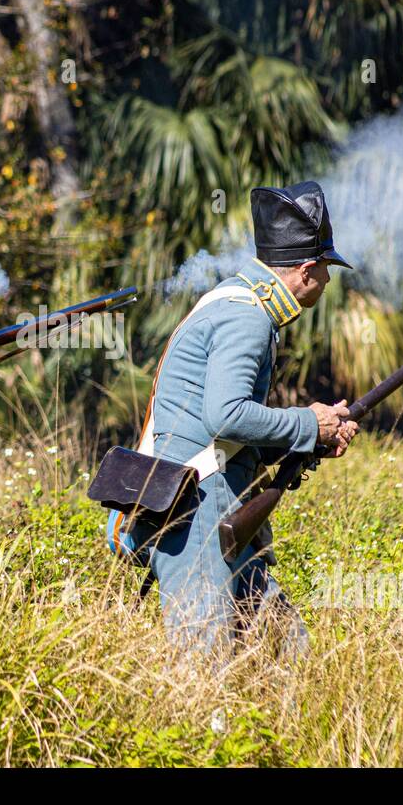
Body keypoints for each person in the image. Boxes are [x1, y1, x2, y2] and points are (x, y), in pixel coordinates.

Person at [116, 181, 359, 654]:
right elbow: (227, 417)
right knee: (202, 665)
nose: (328, 281)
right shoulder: (248, 316)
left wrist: (315, 436)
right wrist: (309, 425)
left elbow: (224, 428)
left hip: (202, 501)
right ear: (307, 270)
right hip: (193, 509)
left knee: (286, 648)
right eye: (326, 269)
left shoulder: (237, 302)